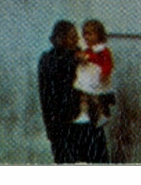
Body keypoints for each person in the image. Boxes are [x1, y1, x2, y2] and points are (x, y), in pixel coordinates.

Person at [37, 20, 108, 164]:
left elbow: (100, 81)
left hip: (89, 122)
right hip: (65, 126)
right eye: (72, 37)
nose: (77, 40)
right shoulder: (49, 60)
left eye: (76, 36)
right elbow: (57, 73)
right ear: (59, 39)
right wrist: (75, 59)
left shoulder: (82, 55)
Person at [74, 18, 115, 125]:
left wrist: (105, 73)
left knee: (96, 98)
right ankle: (84, 113)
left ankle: (101, 115)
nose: (86, 37)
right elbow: (84, 57)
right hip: (87, 77)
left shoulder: (103, 50)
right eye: (85, 34)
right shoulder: (87, 49)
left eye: (90, 34)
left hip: (96, 78)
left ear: (99, 35)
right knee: (83, 96)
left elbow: (107, 63)